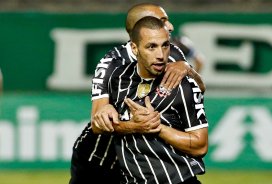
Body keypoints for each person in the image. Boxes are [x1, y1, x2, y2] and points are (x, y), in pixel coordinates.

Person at [69, 3, 206, 184]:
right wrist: (139, 126)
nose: (170, 26)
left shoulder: (171, 52)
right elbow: (98, 121)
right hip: (100, 160)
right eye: (163, 21)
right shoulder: (112, 64)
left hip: (138, 163)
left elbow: (197, 90)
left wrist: (188, 69)